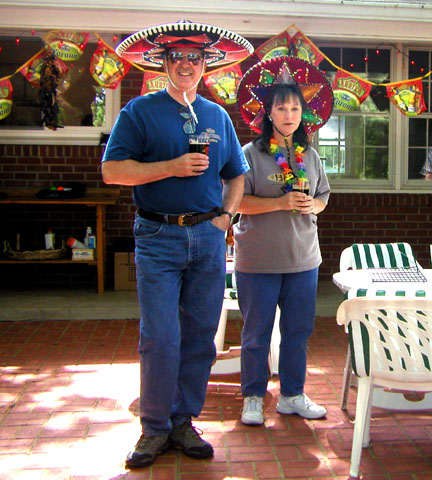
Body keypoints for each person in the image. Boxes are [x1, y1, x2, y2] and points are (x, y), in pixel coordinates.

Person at [101, 20, 253, 469]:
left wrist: (226, 217)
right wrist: (171, 166)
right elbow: (113, 172)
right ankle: (154, 427)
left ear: (206, 64)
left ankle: (183, 420)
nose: (185, 64)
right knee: (161, 336)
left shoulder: (218, 116)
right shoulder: (140, 111)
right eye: (177, 57)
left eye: (194, 57)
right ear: (163, 63)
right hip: (157, 236)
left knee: (202, 337)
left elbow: (236, 174)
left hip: (207, 238)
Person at [234, 56, 333, 425]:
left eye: (295, 107)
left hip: (303, 260)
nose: (289, 113)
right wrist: (279, 203)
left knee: (297, 331)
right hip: (258, 260)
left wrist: (313, 205)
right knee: (256, 333)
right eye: (281, 107)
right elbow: (237, 202)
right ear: (269, 113)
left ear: (302, 113)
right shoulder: (249, 155)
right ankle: (254, 397)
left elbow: (323, 197)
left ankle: (292, 394)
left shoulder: (311, 156)